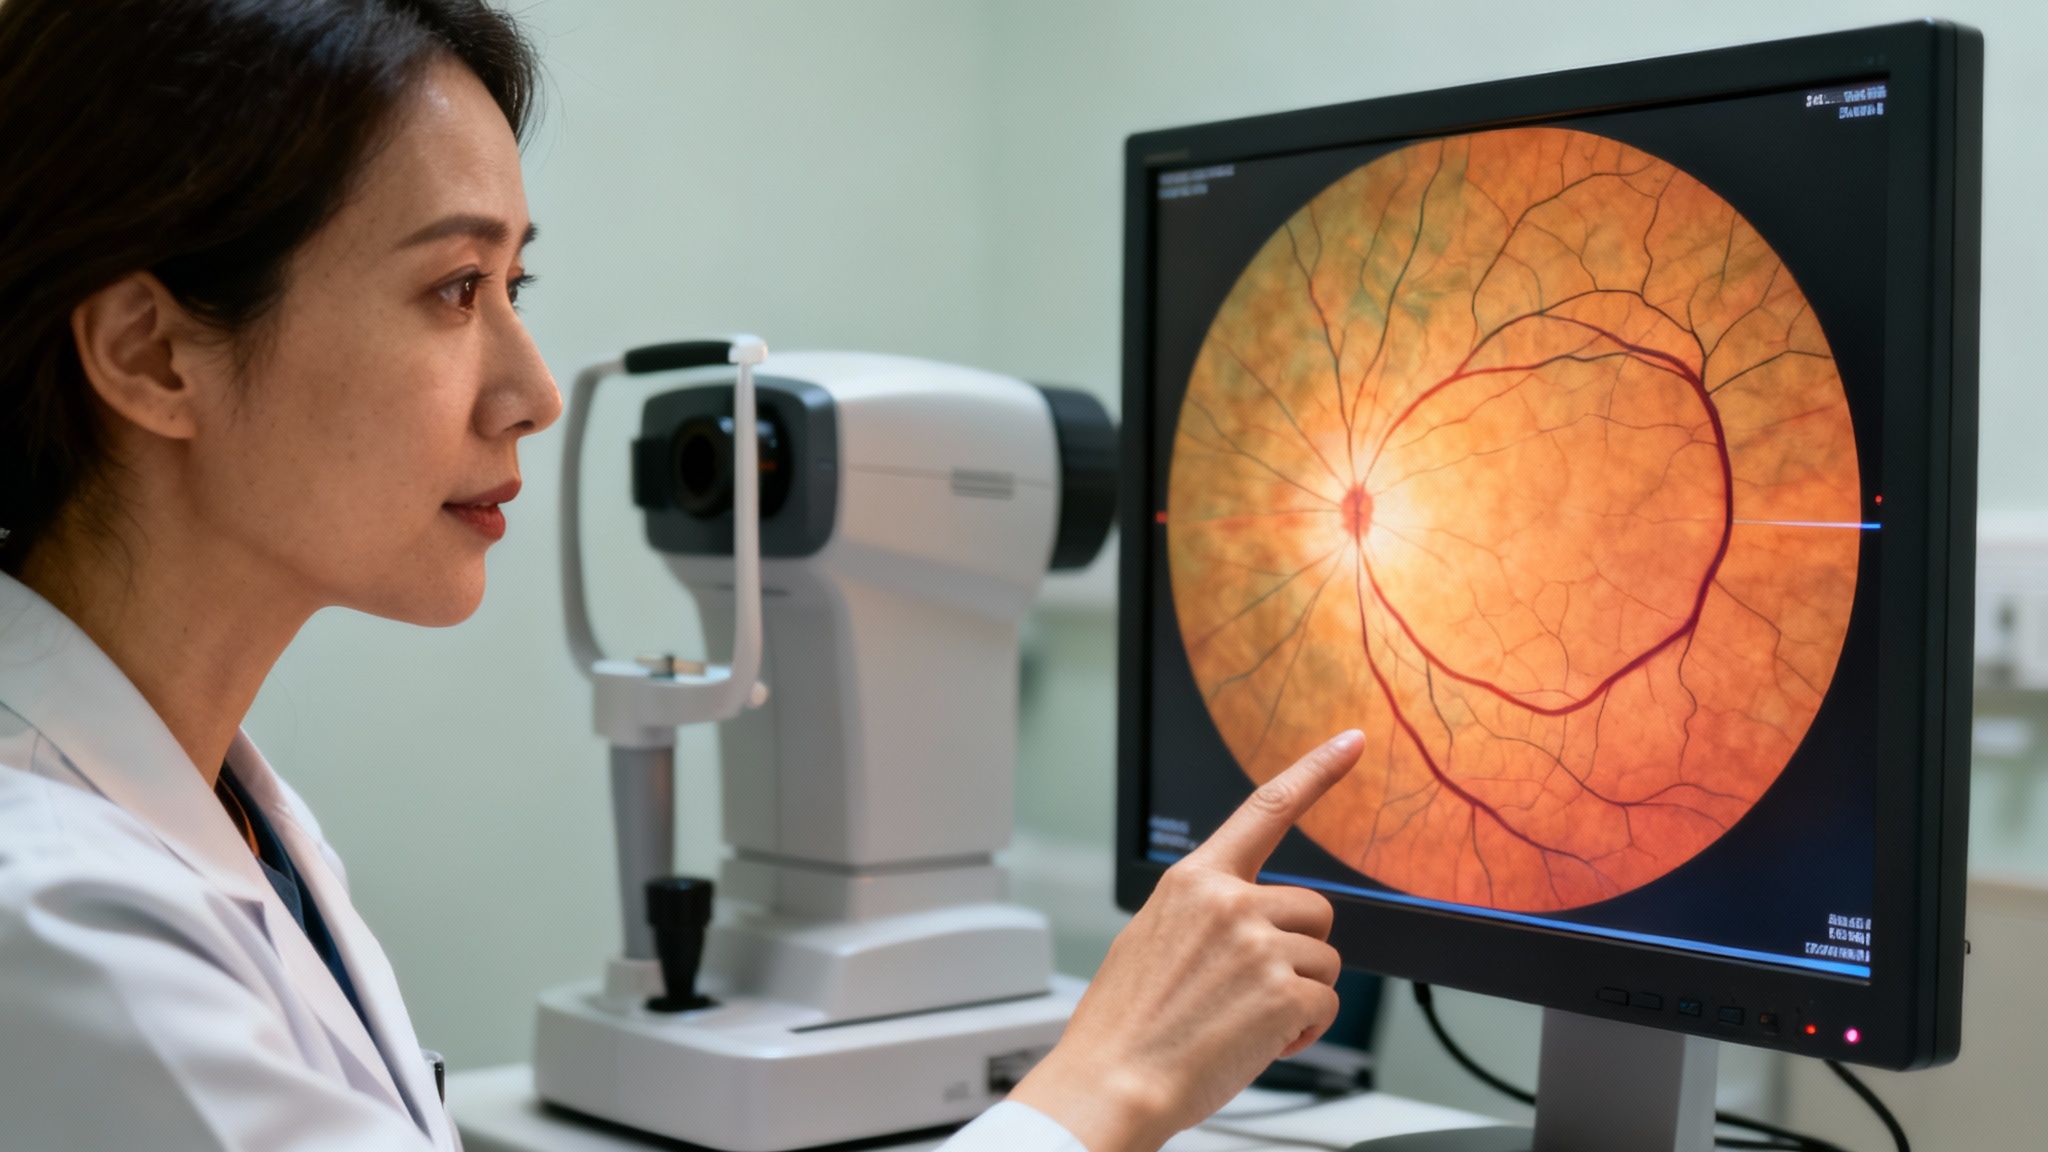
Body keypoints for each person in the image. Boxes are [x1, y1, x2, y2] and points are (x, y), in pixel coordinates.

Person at [0, 2, 1364, 1149]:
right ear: (152, 355)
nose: (531, 394)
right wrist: (1102, 1088)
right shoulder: (62, 920)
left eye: (513, 289)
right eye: (454, 289)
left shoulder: (228, 808)